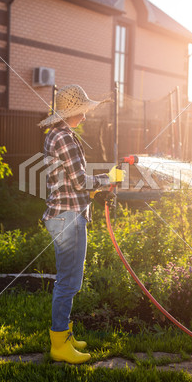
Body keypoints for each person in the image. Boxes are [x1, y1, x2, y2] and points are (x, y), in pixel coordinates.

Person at [38, 85, 124, 364]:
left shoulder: (57, 134)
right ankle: (59, 344)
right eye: (82, 111)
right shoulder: (65, 137)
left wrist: (100, 179)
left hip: (63, 215)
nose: (85, 116)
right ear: (71, 112)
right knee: (68, 283)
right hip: (67, 218)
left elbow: (75, 177)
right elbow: (79, 182)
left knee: (68, 280)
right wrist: (107, 181)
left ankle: (64, 336)